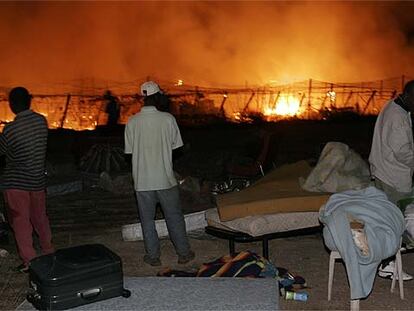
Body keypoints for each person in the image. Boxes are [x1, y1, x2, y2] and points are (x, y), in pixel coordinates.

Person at [124, 81, 194, 266]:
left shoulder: (132, 122)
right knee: (174, 217)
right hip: (165, 179)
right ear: (157, 97)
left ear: (143, 98)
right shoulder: (168, 119)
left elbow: (129, 151)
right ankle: (184, 253)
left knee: (147, 221)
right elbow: (176, 147)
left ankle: (153, 256)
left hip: (142, 182)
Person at [0, 87, 54, 273]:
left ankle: (30, 261)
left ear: (12, 105)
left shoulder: (11, 129)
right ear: (29, 101)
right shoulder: (41, 122)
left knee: (20, 222)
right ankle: (48, 251)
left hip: (16, 184)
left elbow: (2, 151)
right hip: (37, 181)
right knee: (40, 218)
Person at [369, 80, 414, 281]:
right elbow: (403, 152)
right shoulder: (398, 117)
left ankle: (388, 262)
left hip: (383, 170)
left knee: (389, 219)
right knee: (397, 221)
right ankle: (388, 264)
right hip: (393, 176)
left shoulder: (393, 105)